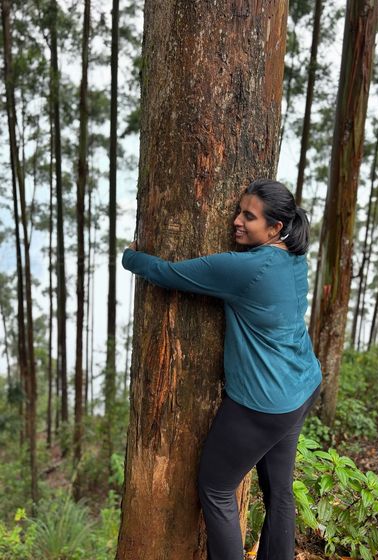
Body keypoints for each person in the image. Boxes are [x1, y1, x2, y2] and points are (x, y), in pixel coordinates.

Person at [122, 178, 322, 560]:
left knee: (216, 488)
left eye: (249, 216)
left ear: (276, 227)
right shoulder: (294, 257)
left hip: (263, 403)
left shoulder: (246, 268)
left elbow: (167, 274)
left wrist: (130, 257)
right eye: (238, 211)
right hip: (302, 385)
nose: (236, 221)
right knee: (278, 488)